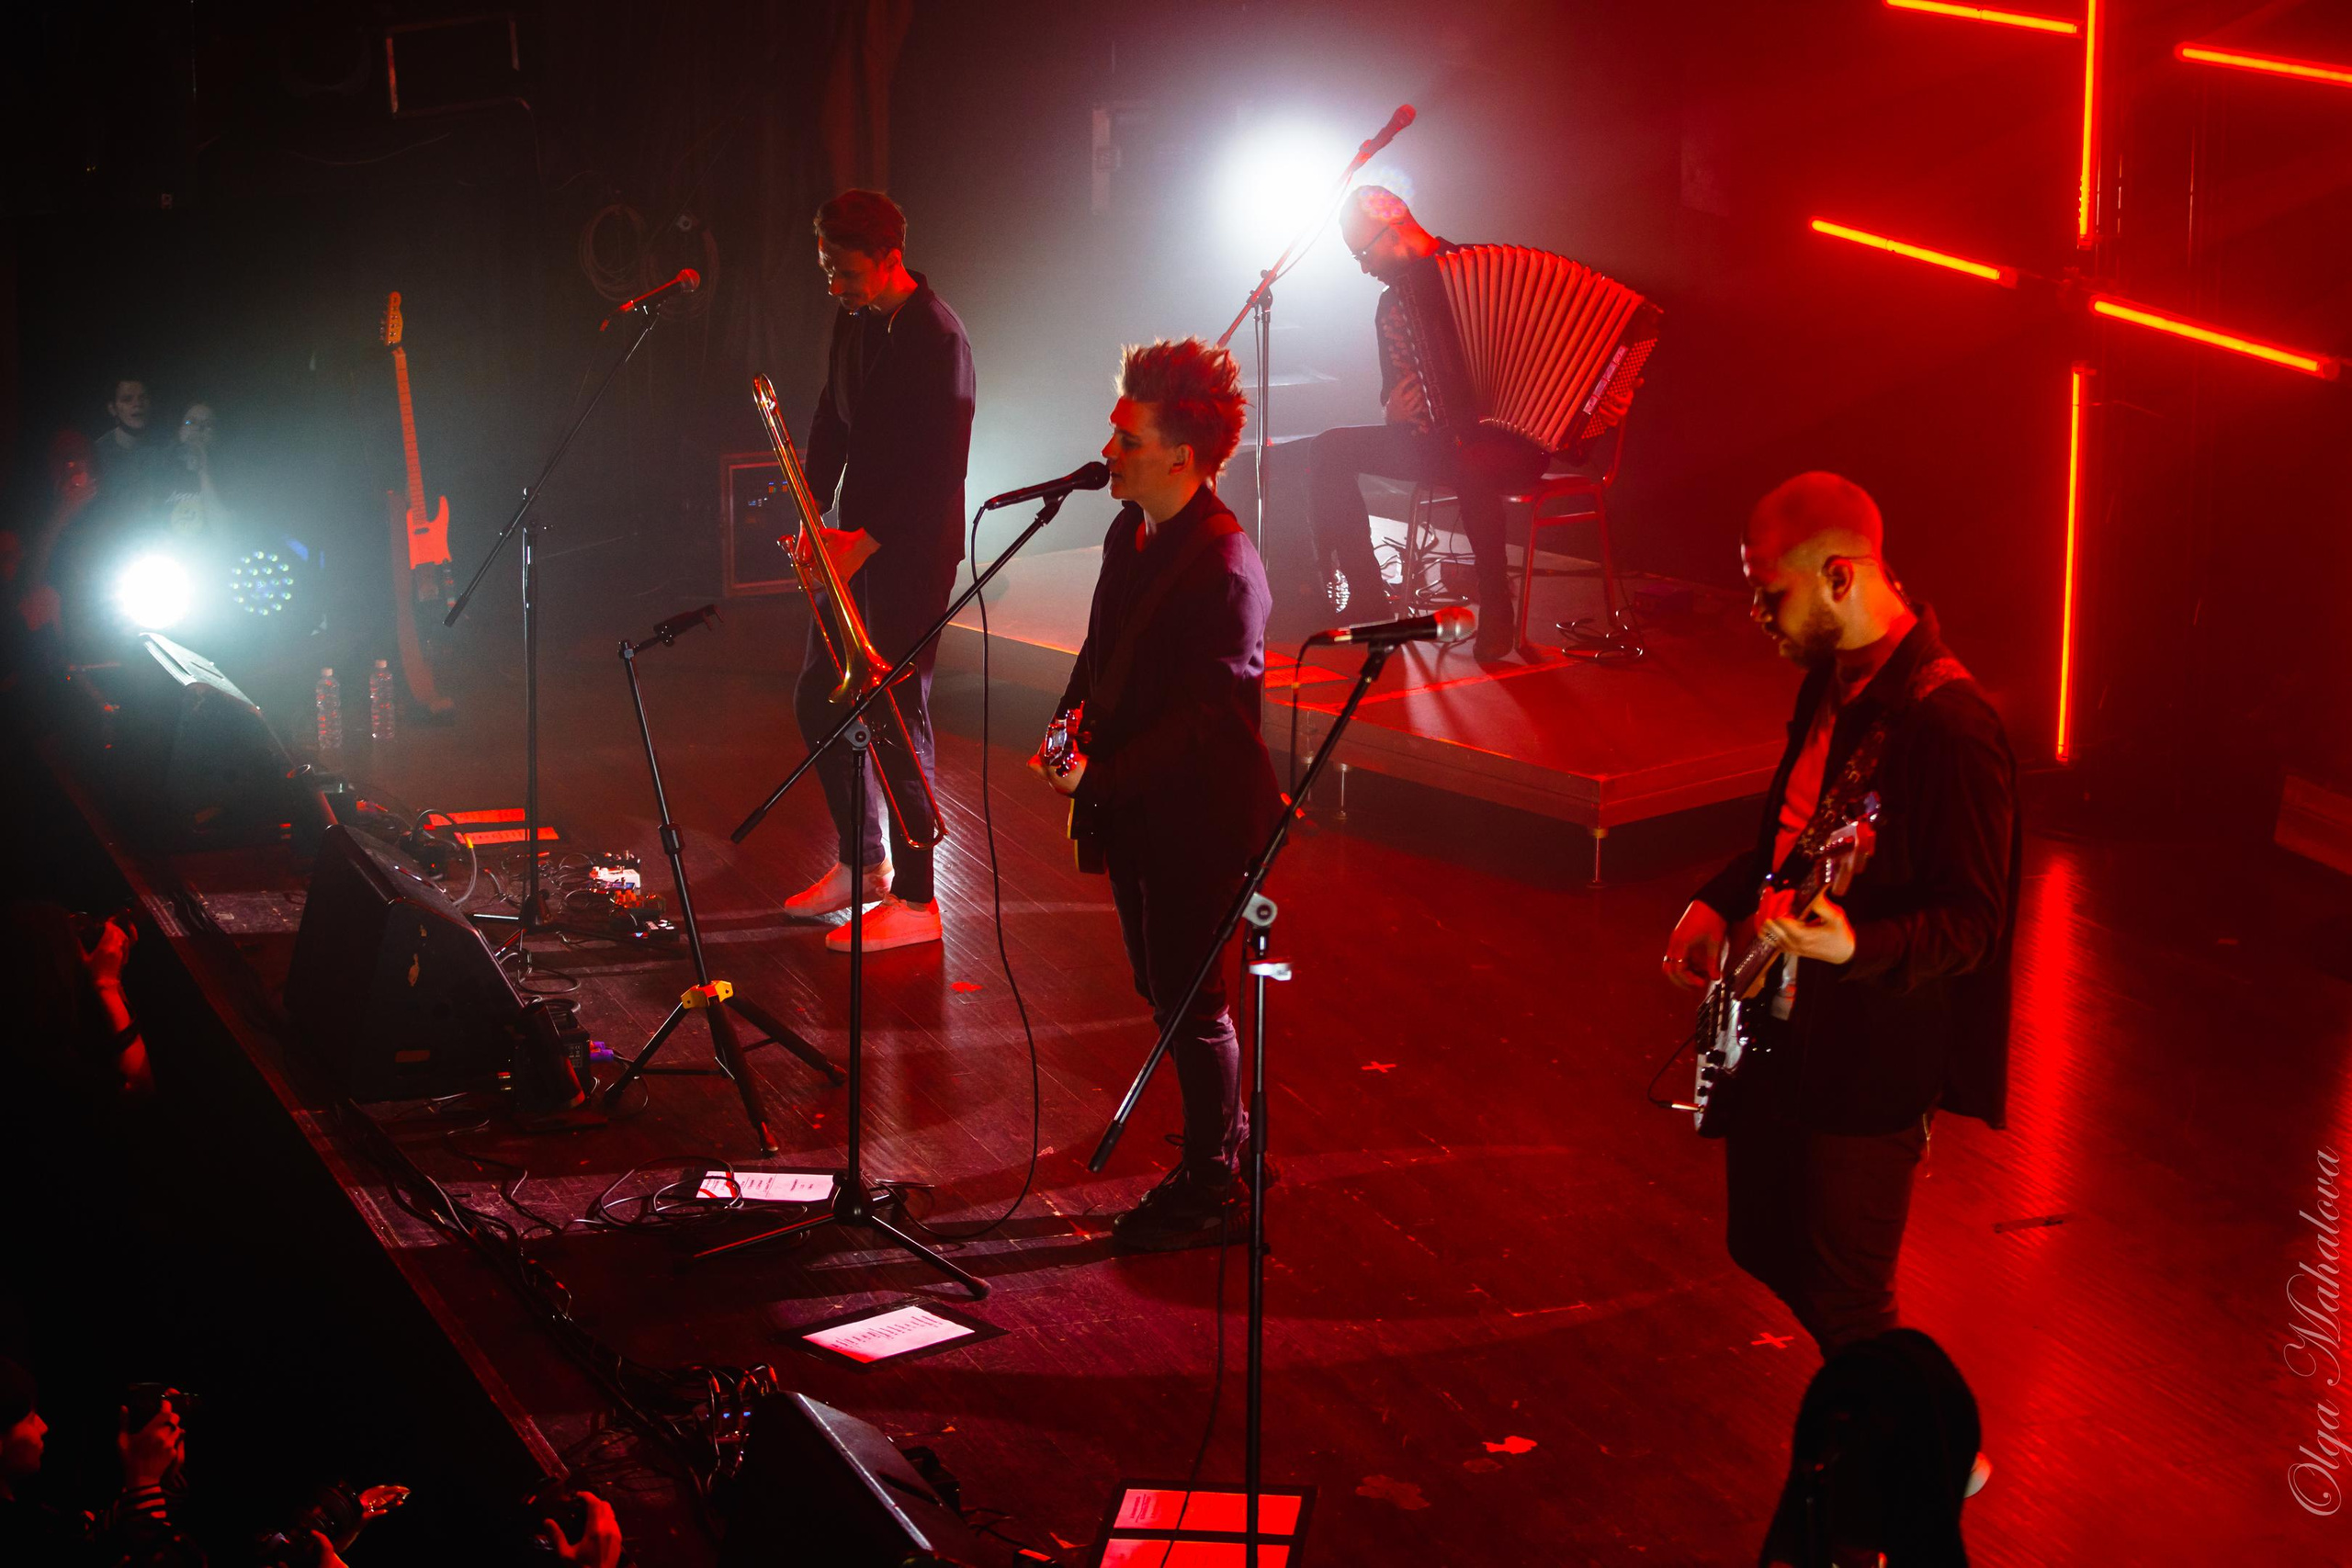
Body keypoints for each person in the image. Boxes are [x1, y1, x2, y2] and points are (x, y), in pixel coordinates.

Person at [1660, 472, 2018, 1356]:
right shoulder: (1831, 683)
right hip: (1790, 1027)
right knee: (1761, 1241)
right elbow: (1797, 834)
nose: (1753, 609)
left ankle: (1930, 1447)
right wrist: (1720, 896)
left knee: (1850, 1293)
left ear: (1841, 577)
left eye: (1767, 589)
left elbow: (1974, 922)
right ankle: (1913, 1428)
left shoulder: (1952, 729)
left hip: (1872, 1057)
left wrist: (1855, 943)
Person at [1030, 338, 1283, 1252]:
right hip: (1137, 804)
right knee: (1159, 984)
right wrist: (1065, 737)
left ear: (1181, 455)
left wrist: (1099, 775)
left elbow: (1207, 725)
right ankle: (1228, 1144)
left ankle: (1215, 1172)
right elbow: (1102, 655)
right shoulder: (1126, 529)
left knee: (1188, 997)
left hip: (1199, 819)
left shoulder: (1223, 566)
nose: (1109, 451)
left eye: (1127, 439)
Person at [784, 189, 976, 953]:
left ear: (889, 257)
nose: (835, 284)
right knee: (818, 698)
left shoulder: (938, 338)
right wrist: (812, 512)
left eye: (845, 270)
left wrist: (870, 539)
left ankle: (919, 900)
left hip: (911, 551)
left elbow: (941, 469)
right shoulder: (855, 320)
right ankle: (863, 862)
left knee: (897, 718)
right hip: (855, 543)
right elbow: (833, 414)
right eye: (826, 269)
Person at [1307, 186, 1544, 662]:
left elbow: (1561, 345)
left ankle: (1496, 603)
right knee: (1327, 449)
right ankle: (1369, 596)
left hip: (1514, 443)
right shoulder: (1393, 304)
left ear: (1393, 231)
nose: (1363, 267)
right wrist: (1390, 408)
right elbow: (1389, 392)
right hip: (1436, 443)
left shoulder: (1485, 270)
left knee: (1472, 459)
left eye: (1362, 253)